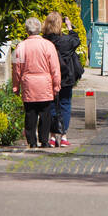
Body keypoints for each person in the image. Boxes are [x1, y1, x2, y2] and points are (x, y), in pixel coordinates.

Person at [12, 17, 61, 150]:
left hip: (28, 83)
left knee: (30, 112)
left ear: (27, 30)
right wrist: (56, 85)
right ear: (39, 29)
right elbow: (55, 68)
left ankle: (32, 141)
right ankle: (44, 141)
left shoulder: (20, 46)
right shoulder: (48, 45)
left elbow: (17, 69)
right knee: (45, 112)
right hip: (45, 82)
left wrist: (15, 86)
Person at [44, 12, 82, 147]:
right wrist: (70, 27)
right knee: (65, 104)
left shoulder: (45, 41)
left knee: (52, 106)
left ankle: (52, 137)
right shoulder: (66, 40)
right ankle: (64, 135)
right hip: (66, 76)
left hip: (49, 77)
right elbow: (76, 41)